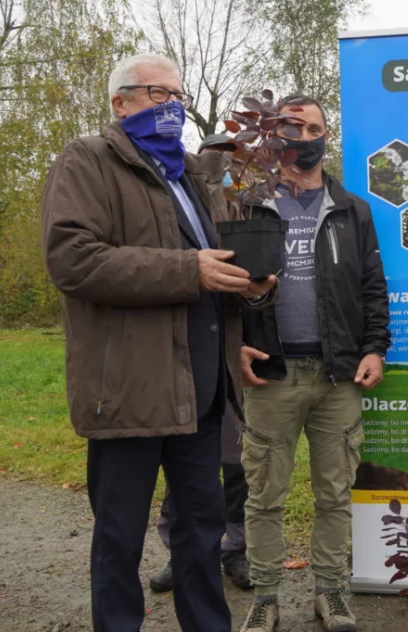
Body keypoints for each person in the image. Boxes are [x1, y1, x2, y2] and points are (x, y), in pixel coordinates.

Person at [41, 53, 276, 632]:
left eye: (179, 96)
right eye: (156, 94)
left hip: (199, 392)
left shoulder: (191, 175)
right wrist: (186, 270)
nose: (172, 106)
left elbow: (211, 273)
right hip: (129, 390)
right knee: (118, 536)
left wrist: (245, 302)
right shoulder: (86, 162)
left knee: (202, 534)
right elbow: (72, 260)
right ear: (119, 103)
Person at [237, 94, 391, 632]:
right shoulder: (249, 206)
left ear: (328, 136)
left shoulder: (352, 209)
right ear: (273, 136)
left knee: (334, 494)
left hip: (337, 375)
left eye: (314, 128)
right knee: (264, 496)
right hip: (272, 375)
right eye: (292, 128)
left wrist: (375, 348)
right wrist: (234, 343)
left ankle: (332, 592)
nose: (304, 138)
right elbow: (222, 289)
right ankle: (265, 595)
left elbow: (373, 287)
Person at [150, 133, 252, 593]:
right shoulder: (189, 207)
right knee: (188, 466)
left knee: (237, 466)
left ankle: (235, 549)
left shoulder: (256, 206)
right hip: (194, 357)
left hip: (243, 360)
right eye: (219, 161)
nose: (228, 170)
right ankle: (183, 553)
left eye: (236, 161)